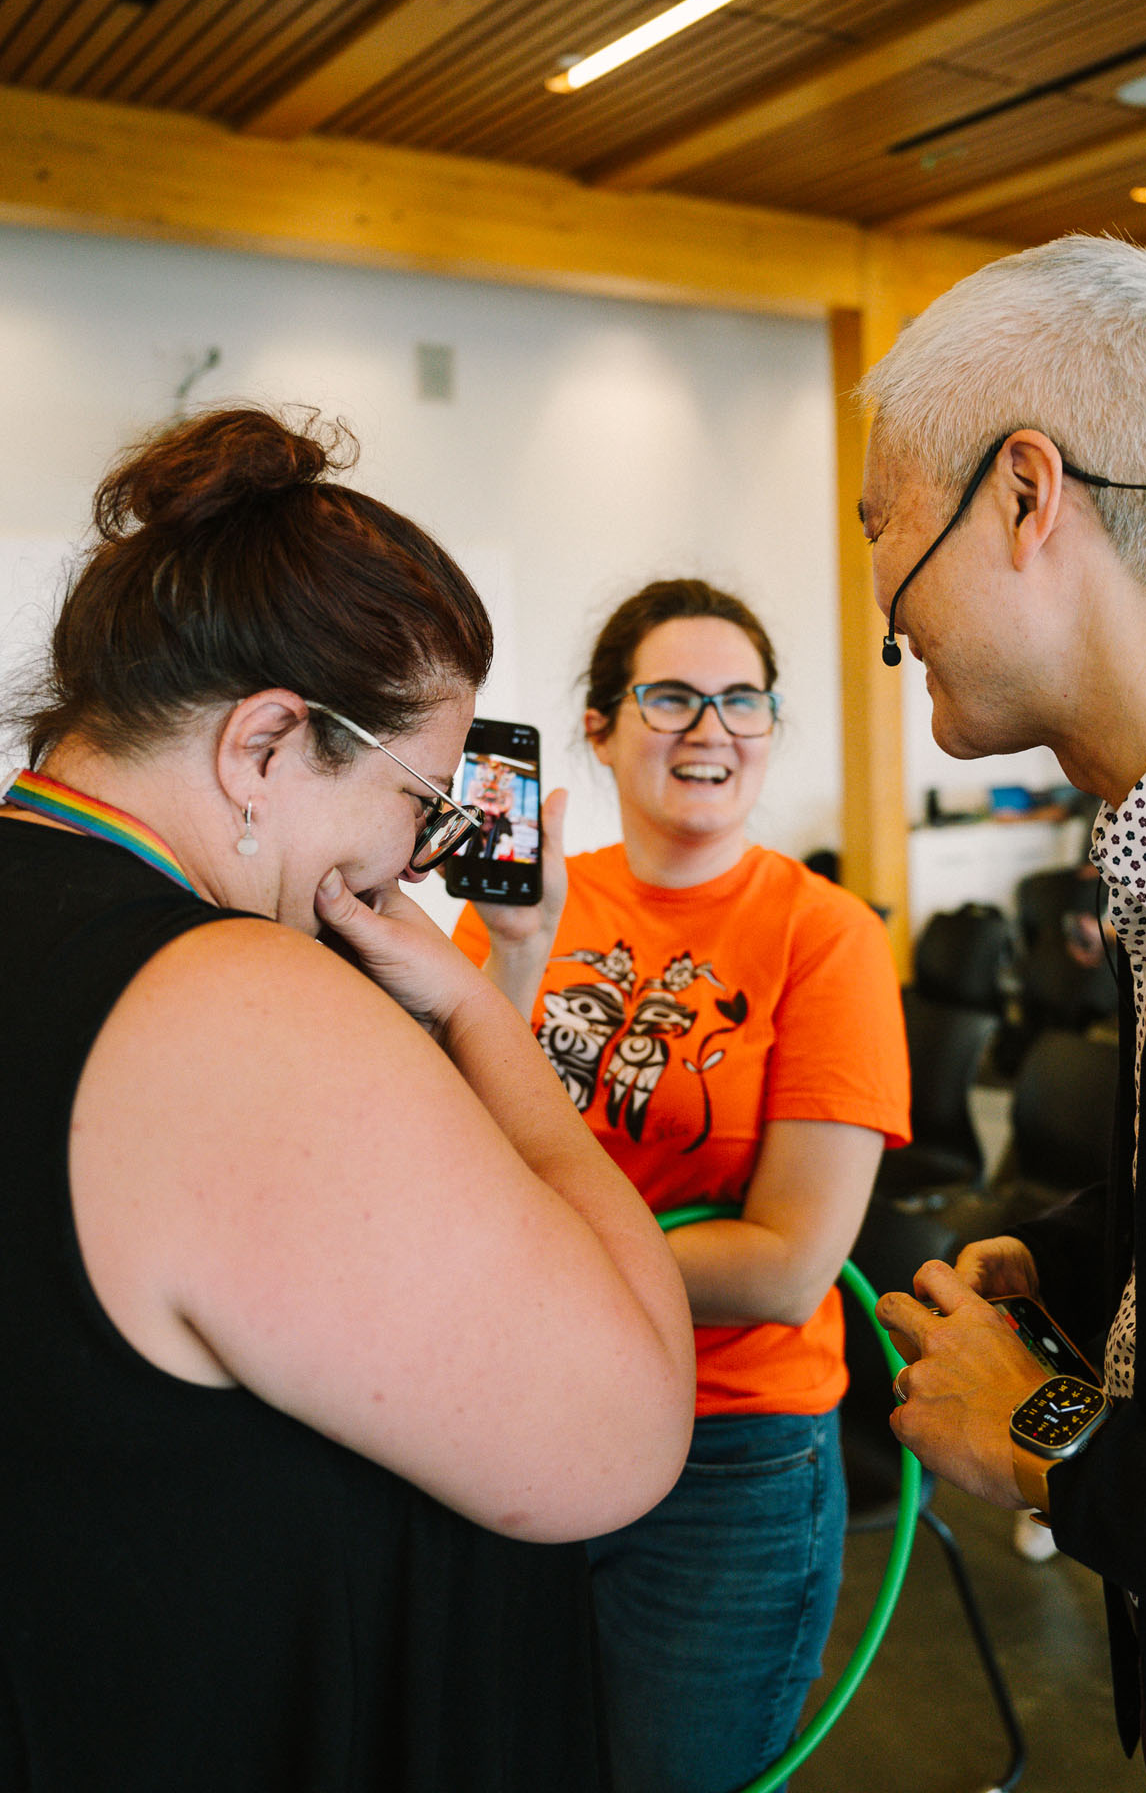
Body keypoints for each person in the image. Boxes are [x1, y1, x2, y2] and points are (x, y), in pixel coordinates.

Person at [0, 407, 695, 1791]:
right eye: (419, 798)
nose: (419, 860)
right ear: (264, 745)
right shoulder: (229, 999)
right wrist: (477, 1009)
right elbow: (621, 1432)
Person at [862, 236, 1146, 1790]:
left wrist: (1051, 1437)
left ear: (1023, 494)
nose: (881, 598)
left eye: (880, 522)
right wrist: (1095, 1260)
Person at [451, 578, 910, 1793]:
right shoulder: (517, 909)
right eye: (669, 696)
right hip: (528, 1410)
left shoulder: (826, 935)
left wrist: (528, 1250)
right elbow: (450, 1155)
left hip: (729, 1452)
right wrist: (514, 951)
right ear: (598, 726)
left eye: (741, 699)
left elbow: (786, 1265)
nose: (710, 727)